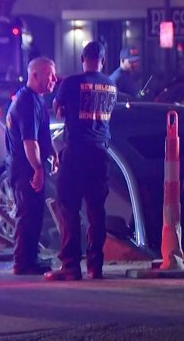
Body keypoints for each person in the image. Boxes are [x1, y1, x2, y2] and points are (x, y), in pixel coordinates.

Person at [47, 41, 117, 281]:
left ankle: (70, 266)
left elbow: (58, 109)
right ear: (103, 61)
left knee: (69, 209)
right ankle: (95, 267)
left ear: (82, 58)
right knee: (96, 211)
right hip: (100, 153)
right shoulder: (110, 85)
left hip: (76, 152)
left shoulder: (71, 83)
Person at [5, 57, 57, 275]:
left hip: (26, 165)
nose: (54, 79)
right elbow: (29, 141)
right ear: (34, 75)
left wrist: (52, 152)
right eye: (49, 75)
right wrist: (37, 168)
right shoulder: (27, 102)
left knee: (33, 214)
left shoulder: (34, 99)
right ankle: (23, 262)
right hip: (24, 167)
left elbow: (41, 134)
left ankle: (29, 258)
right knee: (28, 214)